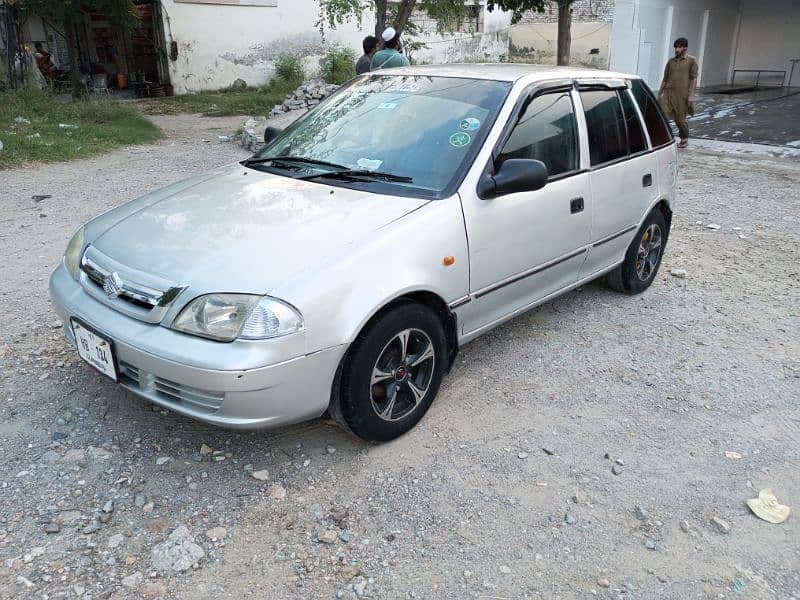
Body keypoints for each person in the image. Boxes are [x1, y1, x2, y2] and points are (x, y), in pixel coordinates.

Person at [658, 37, 698, 148]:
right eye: (675, 47)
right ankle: (663, 138)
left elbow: (694, 78)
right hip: (668, 93)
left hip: (682, 95)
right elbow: (665, 78)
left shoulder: (691, 61)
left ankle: (684, 137)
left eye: (679, 47)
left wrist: (691, 95)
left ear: (685, 47)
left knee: (680, 118)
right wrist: (660, 93)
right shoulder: (671, 62)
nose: (677, 49)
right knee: (662, 114)